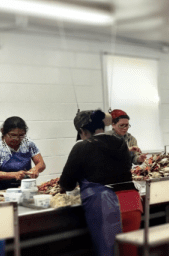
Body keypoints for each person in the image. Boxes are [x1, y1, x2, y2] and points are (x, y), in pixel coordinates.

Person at [60, 110, 142, 256]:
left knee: (108, 253)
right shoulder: (120, 143)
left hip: (107, 205)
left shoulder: (81, 146)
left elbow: (67, 183)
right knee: (129, 252)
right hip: (132, 203)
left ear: (81, 131)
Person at [0, 117, 46, 190]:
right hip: (1, 190)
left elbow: (41, 163)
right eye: (13, 135)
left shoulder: (28, 143)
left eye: (21, 135)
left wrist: (36, 169)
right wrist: (14, 175)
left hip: (25, 188)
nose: (17, 139)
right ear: (3, 131)